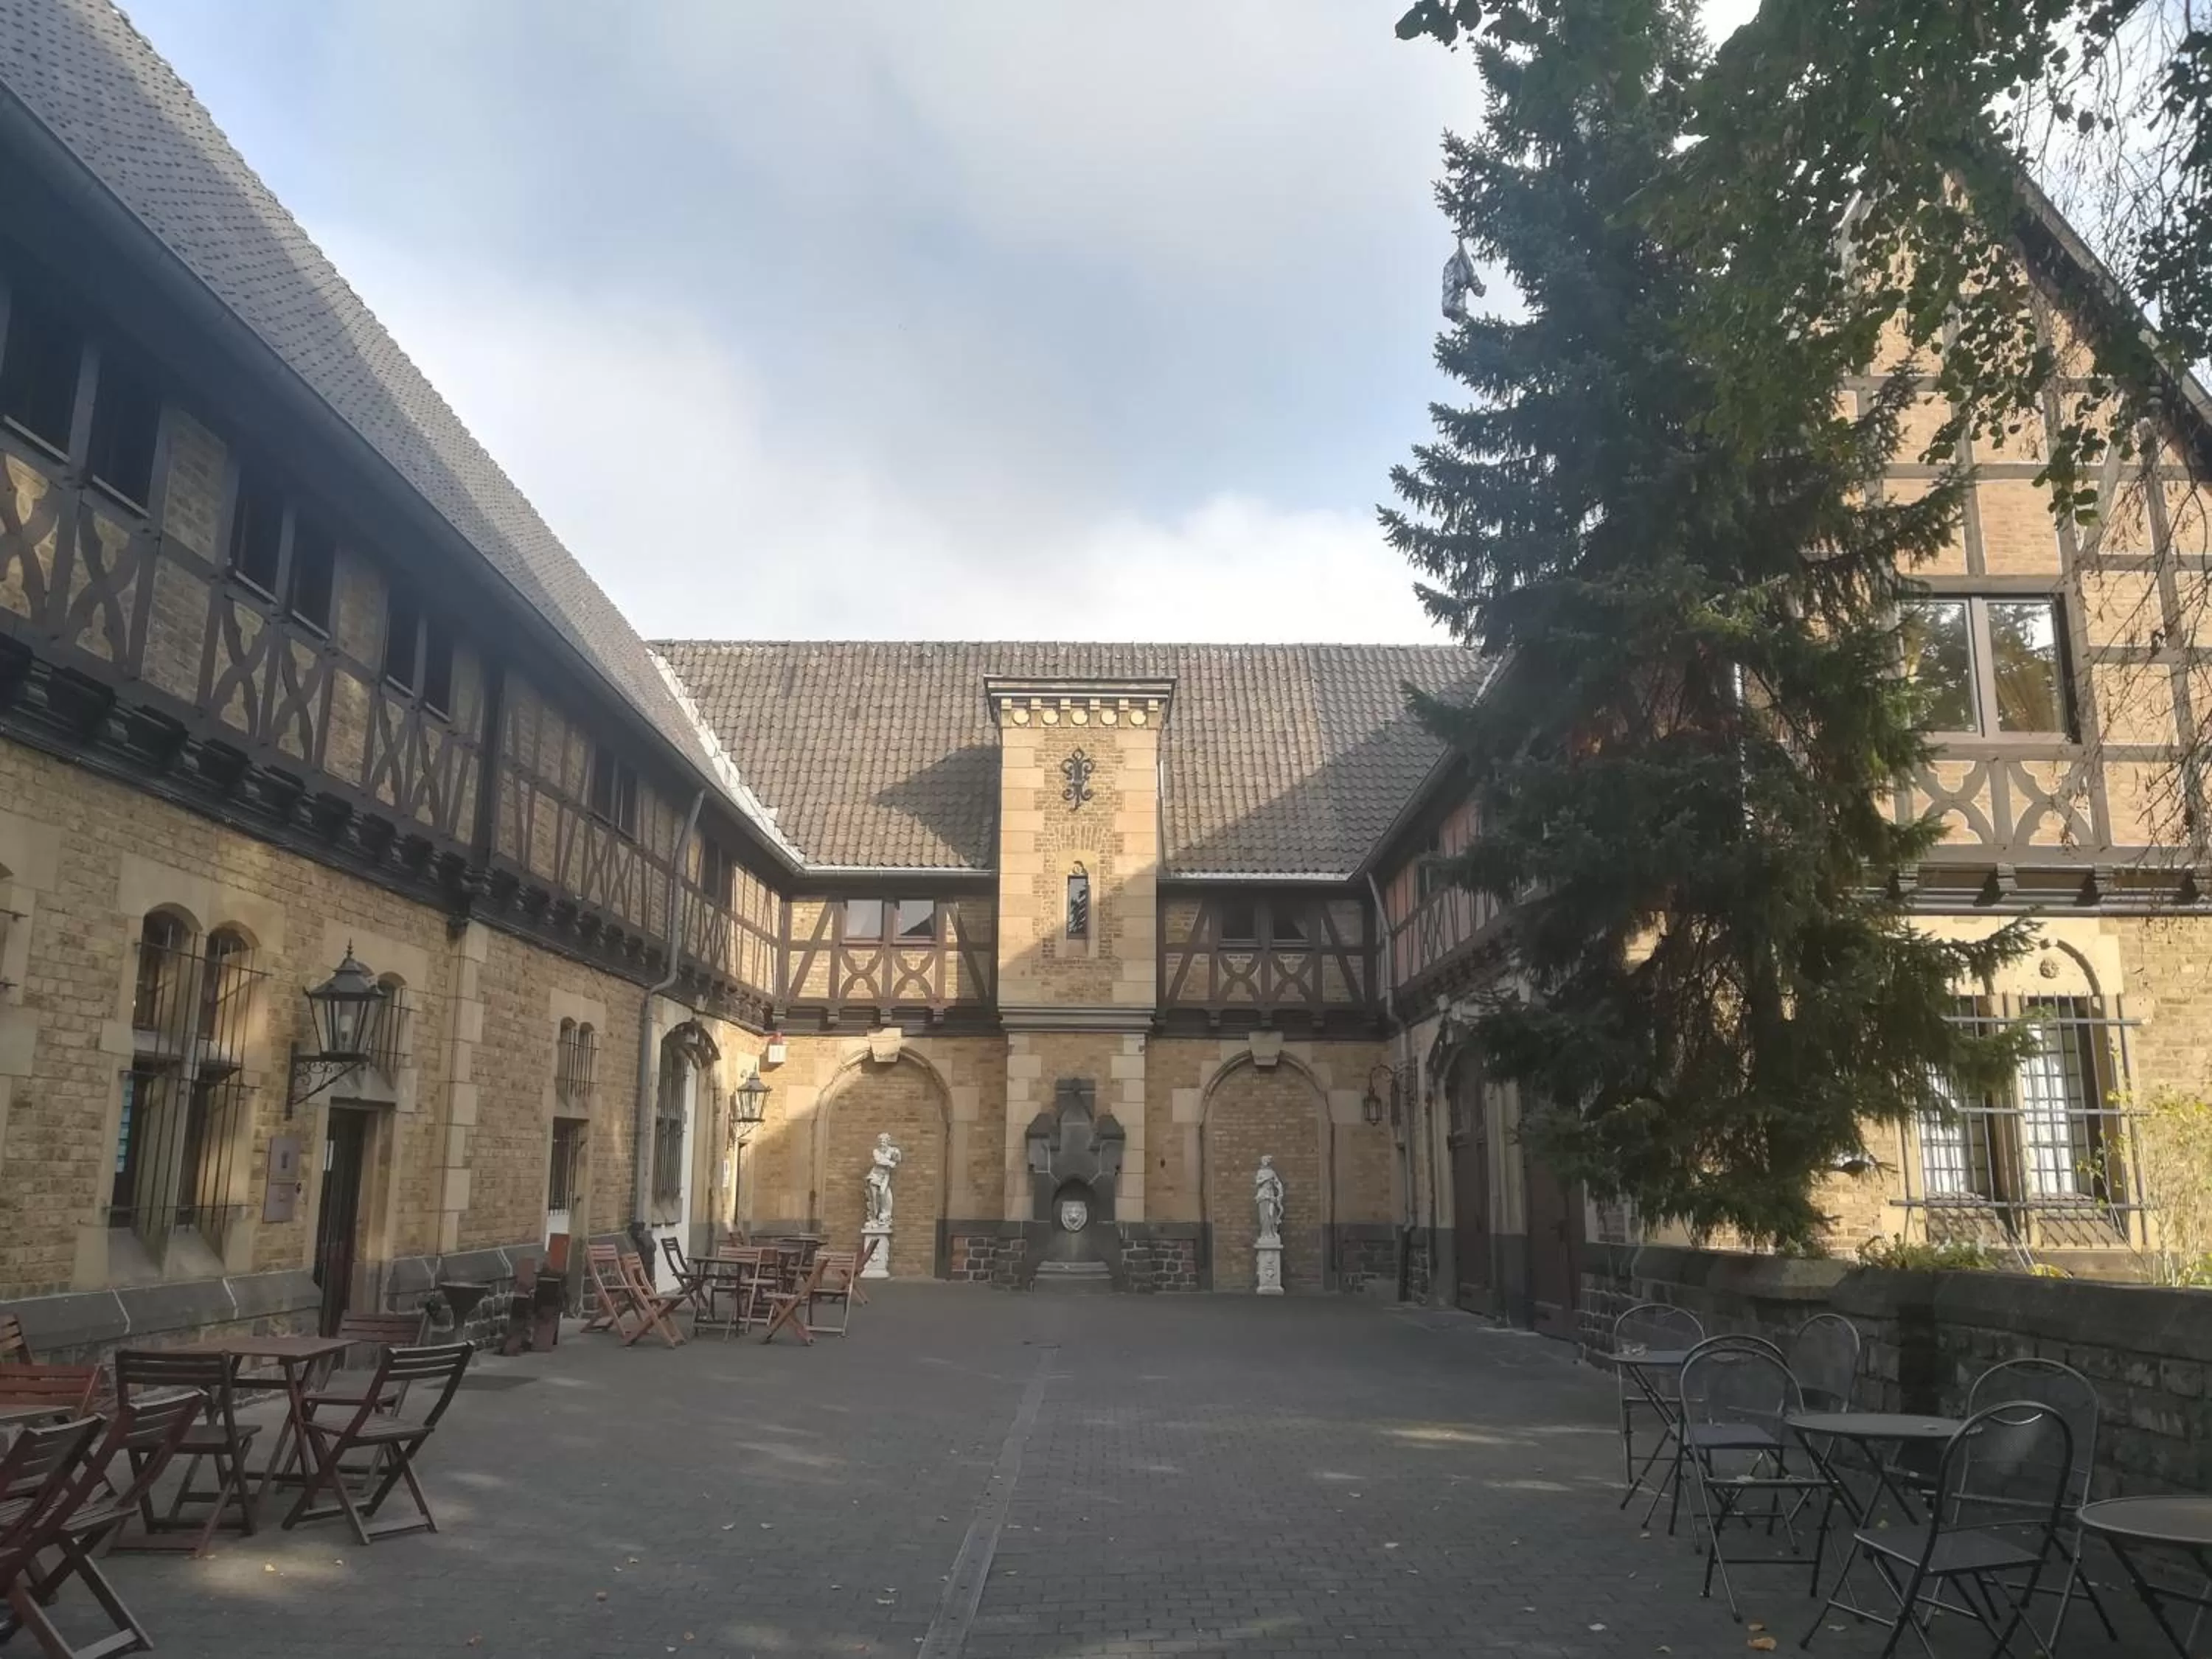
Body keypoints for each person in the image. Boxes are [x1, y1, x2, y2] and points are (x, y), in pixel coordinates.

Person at [864, 1132, 902, 1225]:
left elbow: (898, 1160)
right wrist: (890, 1163)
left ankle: (884, 1216)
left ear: (888, 1141)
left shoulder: (891, 1150)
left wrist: (898, 1154)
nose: (882, 1142)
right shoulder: (876, 1151)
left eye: (884, 1141)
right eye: (880, 1141)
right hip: (875, 1176)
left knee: (882, 1193)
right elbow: (878, 1161)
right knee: (874, 1198)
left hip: (885, 1176)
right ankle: (874, 1218)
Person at [1253, 1154, 1285, 1240]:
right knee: (1264, 1216)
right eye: (1265, 1161)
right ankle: (1265, 1234)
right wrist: (1266, 1179)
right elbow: (1258, 1182)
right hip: (1263, 1196)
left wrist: (1280, 1191)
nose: (1266, 1163)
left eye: (1267, 1161)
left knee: (1271, 1214)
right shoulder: (1260, 1172)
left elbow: (1277, 1183)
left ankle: (1272, 1233)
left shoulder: (1272, 1172)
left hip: (1270, 1195)